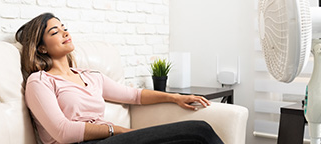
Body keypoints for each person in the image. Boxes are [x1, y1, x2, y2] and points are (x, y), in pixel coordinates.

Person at [15, 12, 224, 144]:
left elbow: (134, 95)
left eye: (64, 28)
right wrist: (118, 130)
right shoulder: (40, 81)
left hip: (110, 139)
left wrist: (175, 97)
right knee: (199, 130)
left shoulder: (91, 77)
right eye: (55, 32)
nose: (65, 33)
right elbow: (63, 132)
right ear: (41, 47)